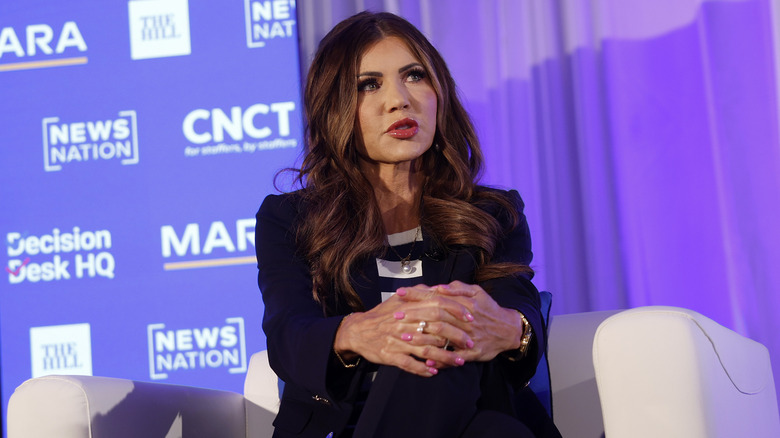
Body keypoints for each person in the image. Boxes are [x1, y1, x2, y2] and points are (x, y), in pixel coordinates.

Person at [255, 11, 560, 438]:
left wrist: (512, 330)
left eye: (414, 76)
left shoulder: (493, 214)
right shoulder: (291, 220)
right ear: (335, 106)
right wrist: (358, 332)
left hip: (471, 412)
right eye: (369, 84)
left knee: (450, 350)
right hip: (345, 425)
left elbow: (516, 307)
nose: (398, 99)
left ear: (439, 93)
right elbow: (290, 336)